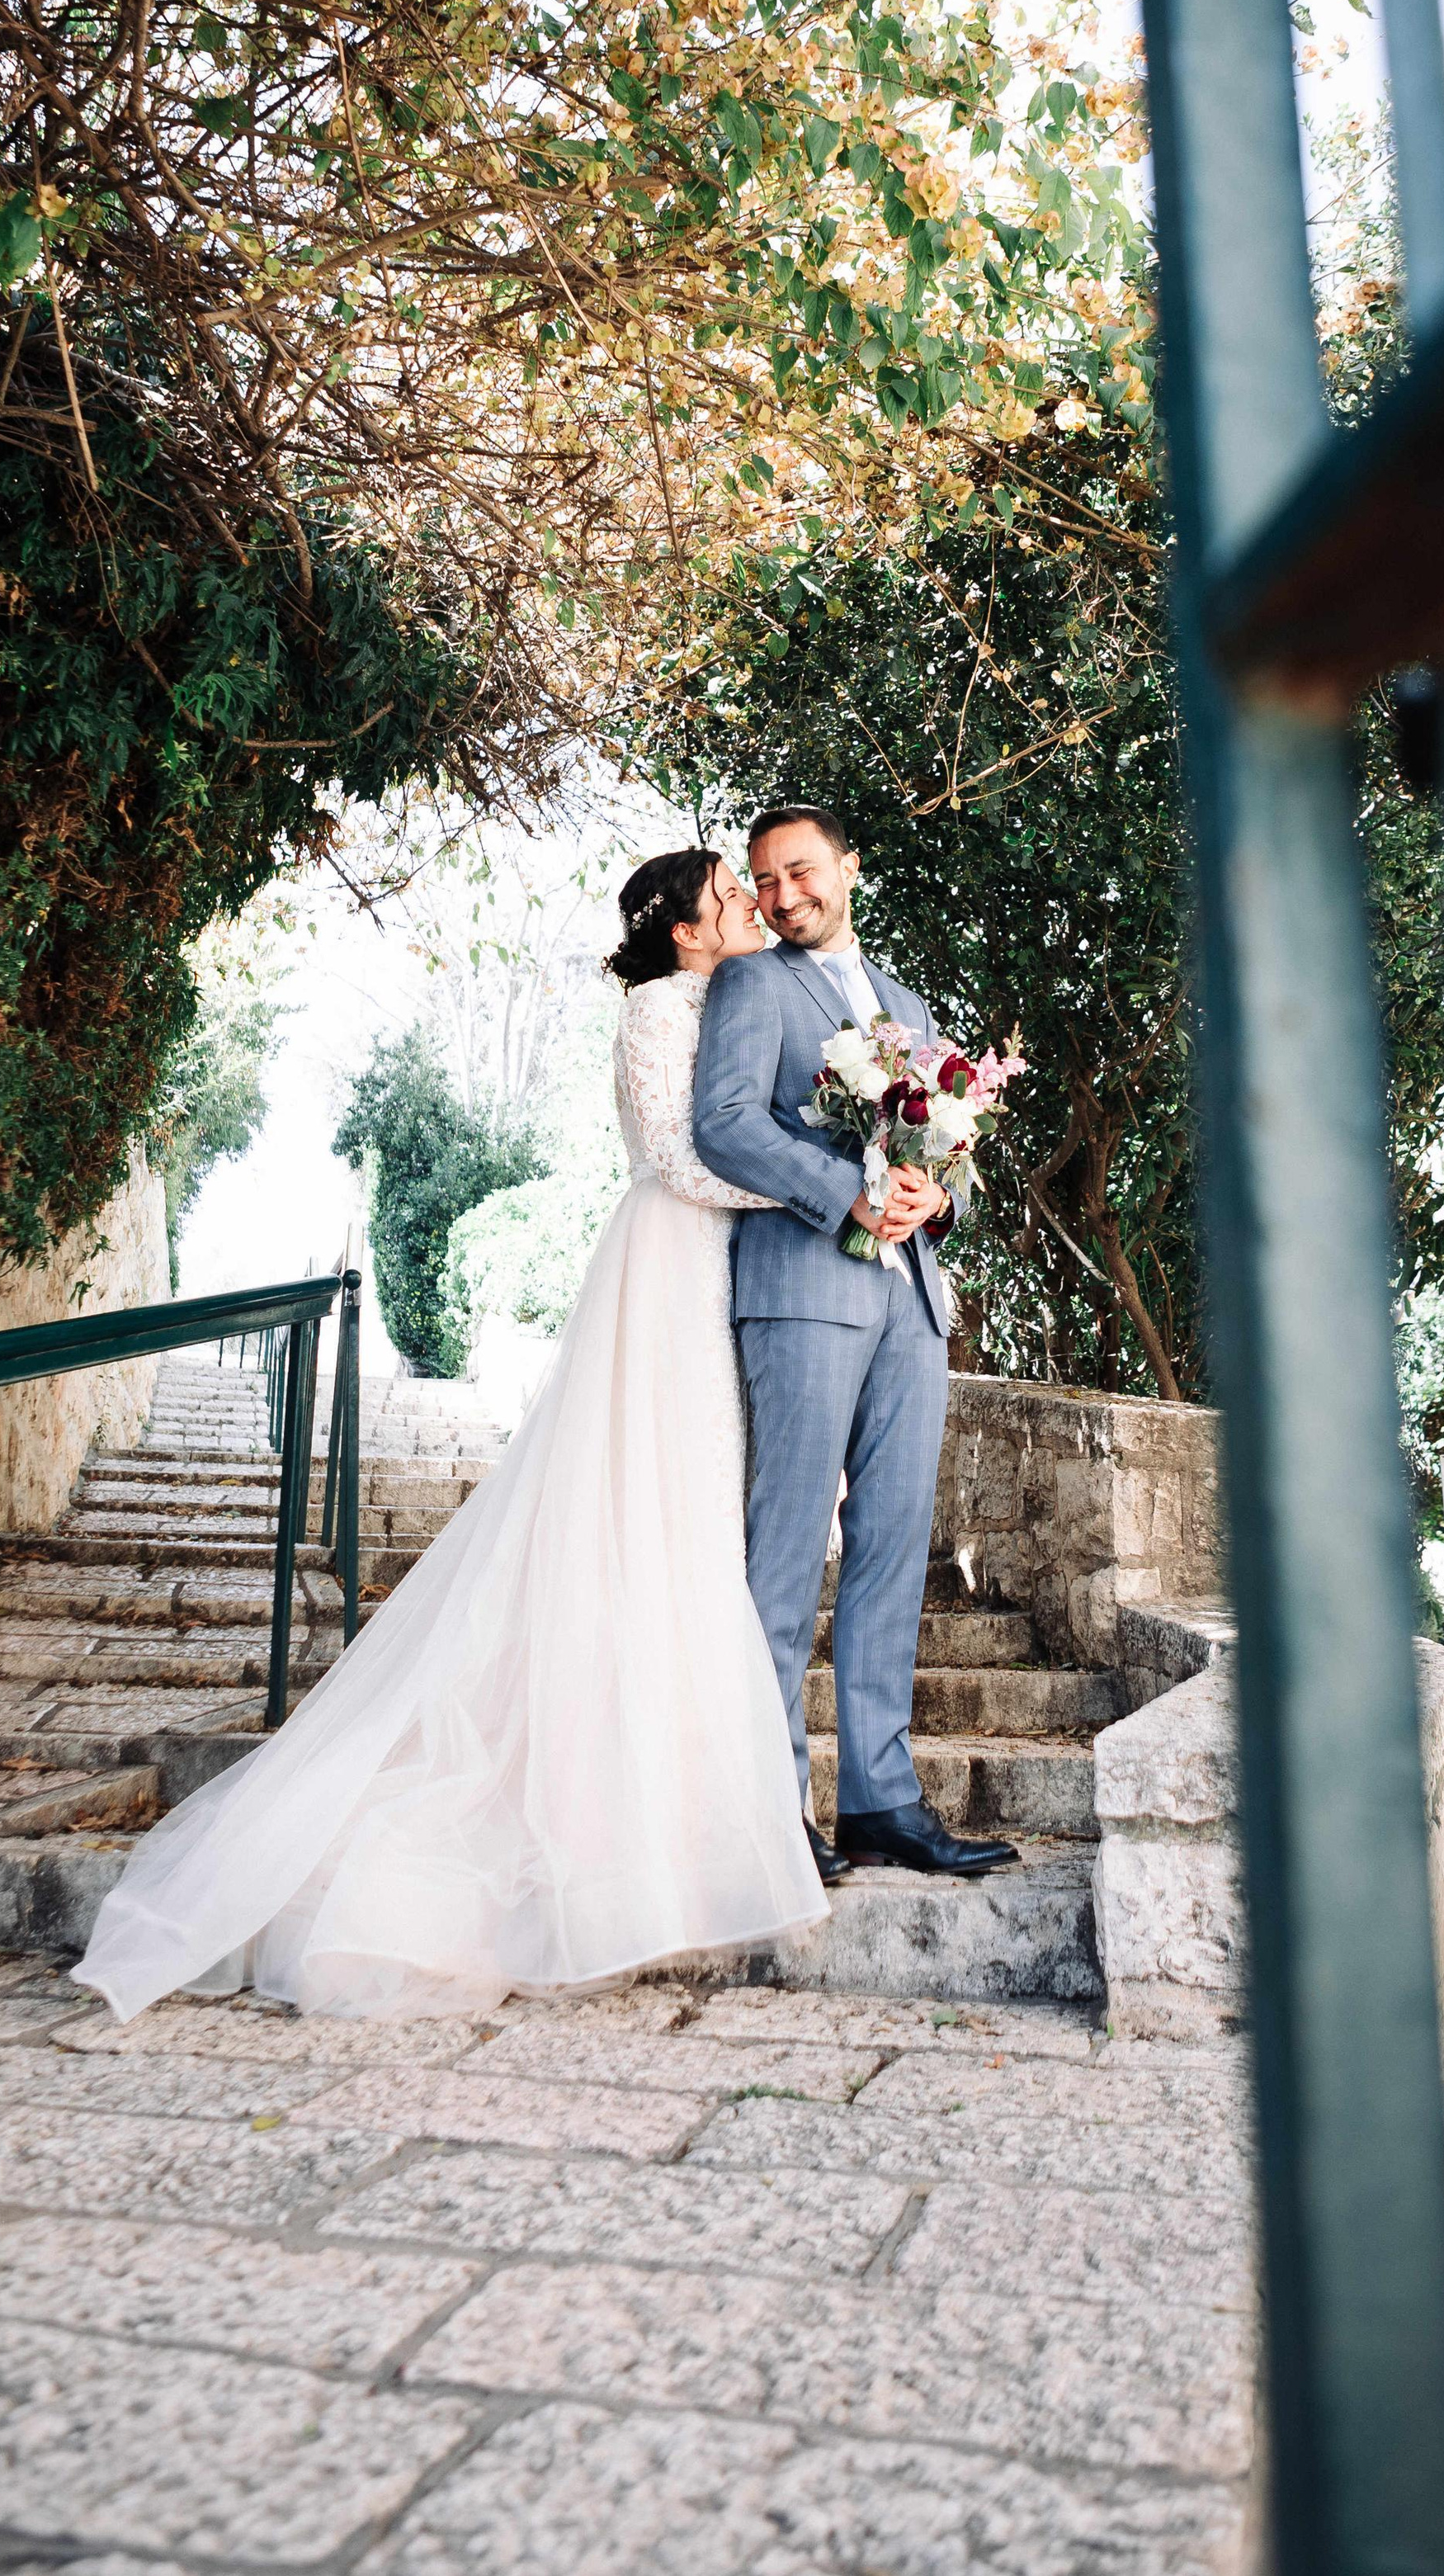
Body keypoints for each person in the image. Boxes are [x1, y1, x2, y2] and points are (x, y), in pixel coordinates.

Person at [73, 848, 826, 2021]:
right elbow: (680, 1159)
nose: (748, 908)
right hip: (666, 1263)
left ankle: (669, 1806)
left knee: (686, 1512)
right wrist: (816, 1184)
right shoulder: (660, 1008)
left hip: (706, 1269)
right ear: (683, 929)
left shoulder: (718, 997)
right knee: (646, 1501)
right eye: (729, 896)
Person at [693, 803, 1020, 1879]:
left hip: (910, 1308)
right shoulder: (751, 986)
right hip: (802, 1293)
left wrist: (934, 1196)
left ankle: (881, 1801)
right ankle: (761, 1805)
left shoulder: (907, 1004)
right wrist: (853, 1193)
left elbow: (946, 1149)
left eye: (799, 872)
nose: (783, 896)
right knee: (783, 1558)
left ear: (848, 868)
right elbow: (726, 1123)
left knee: (889, 1555)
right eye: (765, 881)